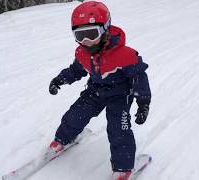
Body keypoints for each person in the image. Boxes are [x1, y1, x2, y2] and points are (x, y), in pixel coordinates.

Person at [48, 1, 151, 180]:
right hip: (95, 91)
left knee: (119, 130)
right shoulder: (82, 53)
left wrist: (143, 103)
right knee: (74, 116)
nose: (86, 41)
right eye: (80, 35)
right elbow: (76, 70)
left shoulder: (125, 55)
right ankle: (61, 140)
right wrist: (59, 80)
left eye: (91, 34)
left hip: (120, 96)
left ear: (105, 29)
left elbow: (138, 77)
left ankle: (123, 167)